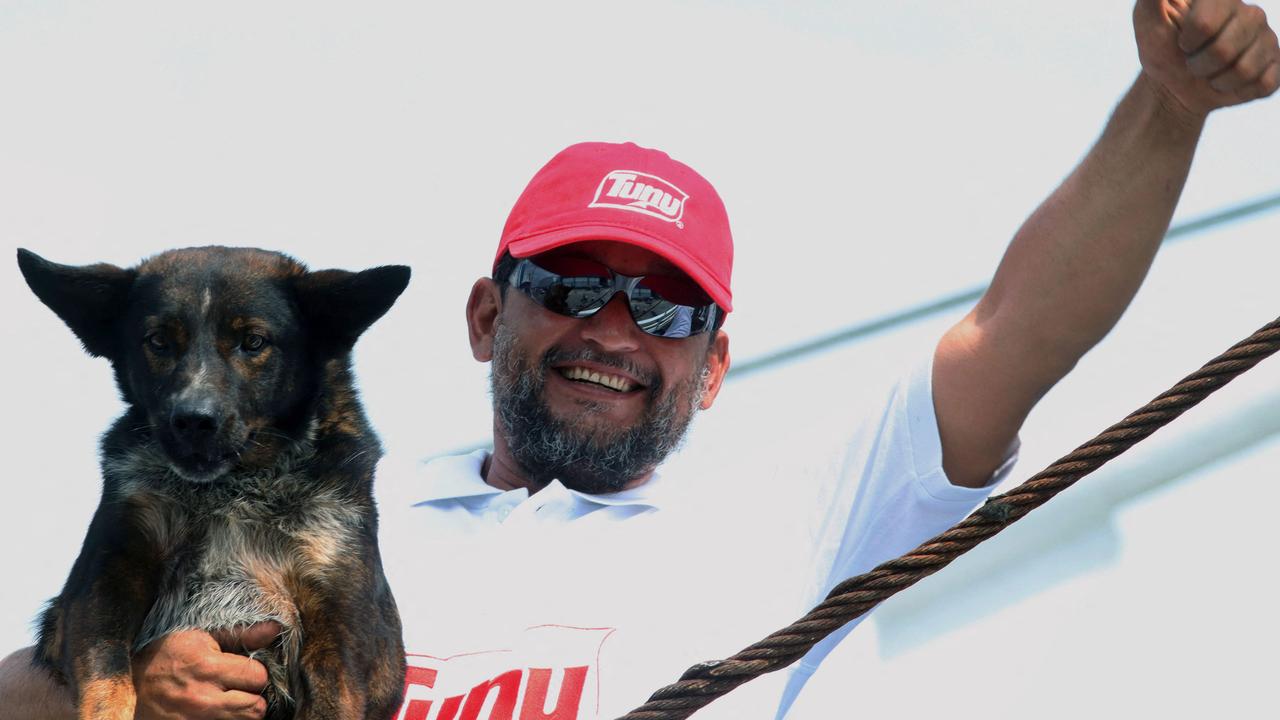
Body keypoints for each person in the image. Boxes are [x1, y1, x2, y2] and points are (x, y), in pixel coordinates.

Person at [3, 1, 1278, 718]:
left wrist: (1166, 107)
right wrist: (114, 705)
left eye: (664, 312)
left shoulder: (799, 517)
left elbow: (1020, 329)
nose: (613, 333)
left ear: (711, 369)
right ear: (482, 320)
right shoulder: (318, 505)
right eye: (572, 288)